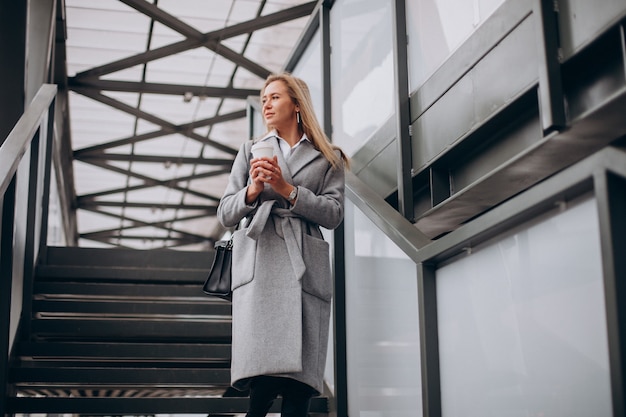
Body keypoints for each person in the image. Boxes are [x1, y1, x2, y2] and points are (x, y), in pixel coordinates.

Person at [217, 72, 349, 417]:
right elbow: (225, 213)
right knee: (260, 392)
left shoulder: (328, 157)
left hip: (304, 265)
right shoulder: (250, 150)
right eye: (264, 99)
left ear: (296, 104)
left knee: (299, 392)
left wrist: (288, 190)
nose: (267, 104)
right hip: (262, 263)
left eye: (274, 97)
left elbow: (334, 214)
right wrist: (253, 191)